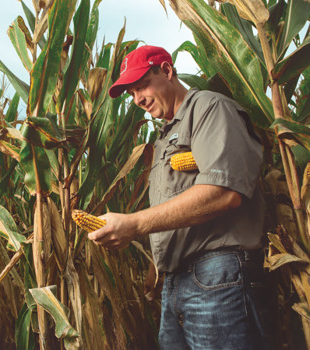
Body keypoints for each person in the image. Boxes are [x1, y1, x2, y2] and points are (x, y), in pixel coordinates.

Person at [88, 45, 270, 349]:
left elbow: (224, 193)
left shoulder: (209, 109)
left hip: (218, 275)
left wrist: (132, 224)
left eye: (143, 85)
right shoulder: (164, 136)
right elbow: (171, 212)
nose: (138, 99)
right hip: (175, 282)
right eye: (132, 93)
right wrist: (156, 268)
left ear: (168, 71)